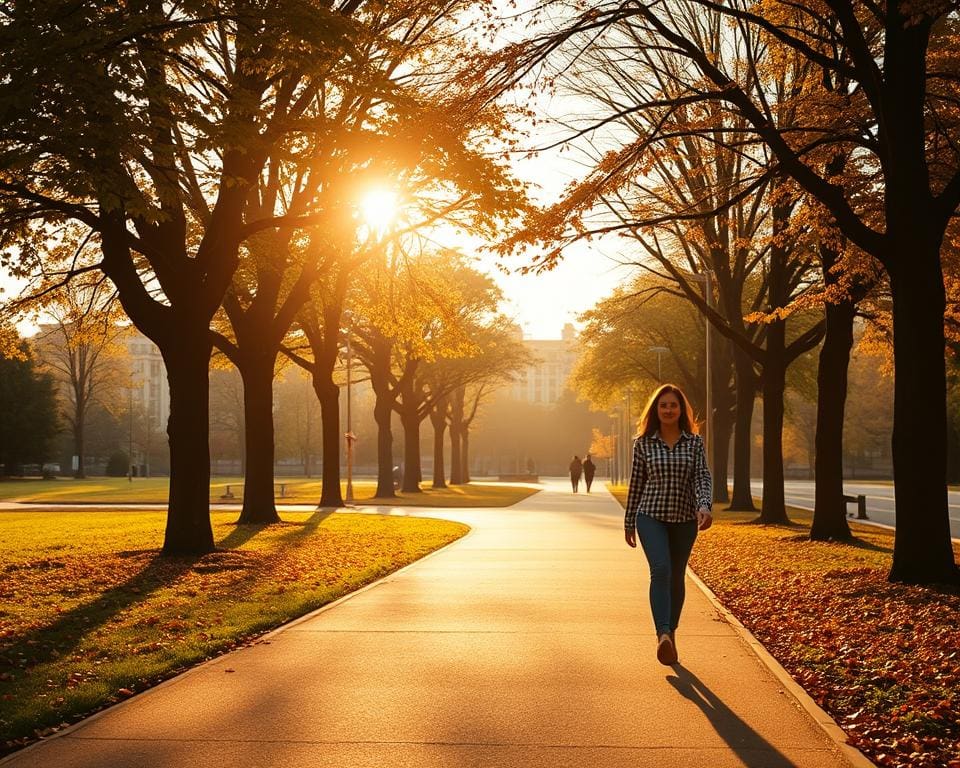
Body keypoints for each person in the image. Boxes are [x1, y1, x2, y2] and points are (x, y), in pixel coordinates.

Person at [624, 384, 712, 666]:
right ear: (656, 410)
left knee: (676, 576)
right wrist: (629, 522)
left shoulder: (694, 443)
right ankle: (662, 633)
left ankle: (670, 634)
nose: (668, 410)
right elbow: (636, 484)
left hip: (685, 519)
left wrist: (704, 505)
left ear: (680, 409)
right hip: (651, 515)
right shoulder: (643, 443)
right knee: (660, 570)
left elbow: (702, 477)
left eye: (673, 405)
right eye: (663, 405)